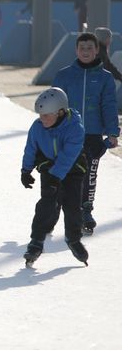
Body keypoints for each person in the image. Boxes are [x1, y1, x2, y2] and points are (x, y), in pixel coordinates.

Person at [51, 32, 119, 235]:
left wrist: (113, 132)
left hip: (93, 134)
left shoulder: (105, 78)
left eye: (90, 48)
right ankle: (63, 210)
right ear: (76, 50)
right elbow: (54, 104)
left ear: (97, 50)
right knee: (66, 175)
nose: (86, 52)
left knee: (89, 174)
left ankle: (86, 210)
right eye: (82, 48)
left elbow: (109, 105)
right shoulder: (64, 75)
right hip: (67, 134)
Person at [21, 87, 90, 266]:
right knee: (47, 204)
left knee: (72, 206)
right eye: (40, 115)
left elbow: (68, 155)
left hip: (73, 169)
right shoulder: (37, 127)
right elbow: (31, 148)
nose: (41, 119)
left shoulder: (75, 128)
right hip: (49, 167)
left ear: (60, 112)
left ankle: (73, 239)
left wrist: (55, 176)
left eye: (46, 115)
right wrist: (25, 170)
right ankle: (36, 241)